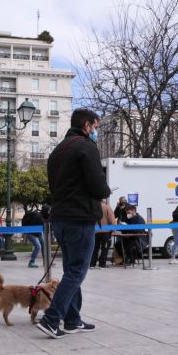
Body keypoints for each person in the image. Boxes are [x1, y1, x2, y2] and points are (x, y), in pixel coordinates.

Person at [37, 108, 111, 339]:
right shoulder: (86, 146)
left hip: (60, 216)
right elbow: (98, 185)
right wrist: (105, 191)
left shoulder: (58, 150)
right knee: (77, 271)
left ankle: (72, 319)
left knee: (71, 270)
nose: (96, 132)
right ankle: (51, 319)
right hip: (79, 217)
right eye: (96, 127)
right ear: (87, 126)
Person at [90, 199, 116, 269]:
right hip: (106, 232)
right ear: (104, 201)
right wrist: (113, 230)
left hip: (95, 232)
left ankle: (92, 264)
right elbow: (111, 219)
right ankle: (102, 264)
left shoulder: (93, 207)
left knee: (95, 248)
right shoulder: (107, 207)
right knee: (105, 248)